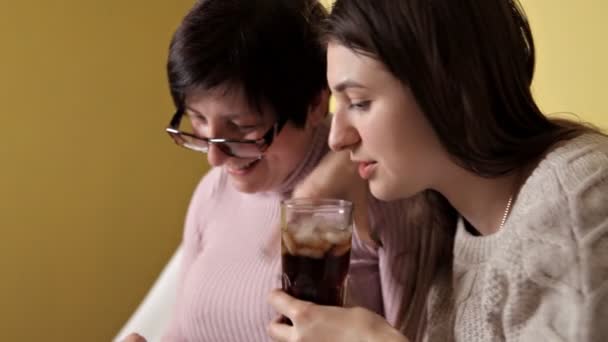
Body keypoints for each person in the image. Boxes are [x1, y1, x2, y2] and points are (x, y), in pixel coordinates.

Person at [267, 0, 608, 341]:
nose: (337, 139)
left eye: (359, 102)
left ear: (447, 87)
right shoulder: (440, 229)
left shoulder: (580, 193)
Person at [124, 0, 453, 341]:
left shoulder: (381, 185)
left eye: (241, 127)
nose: (215, 159)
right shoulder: (213, 192)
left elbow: (419, 334)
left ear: (314, 103)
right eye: (199, 121)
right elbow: (185, 332)